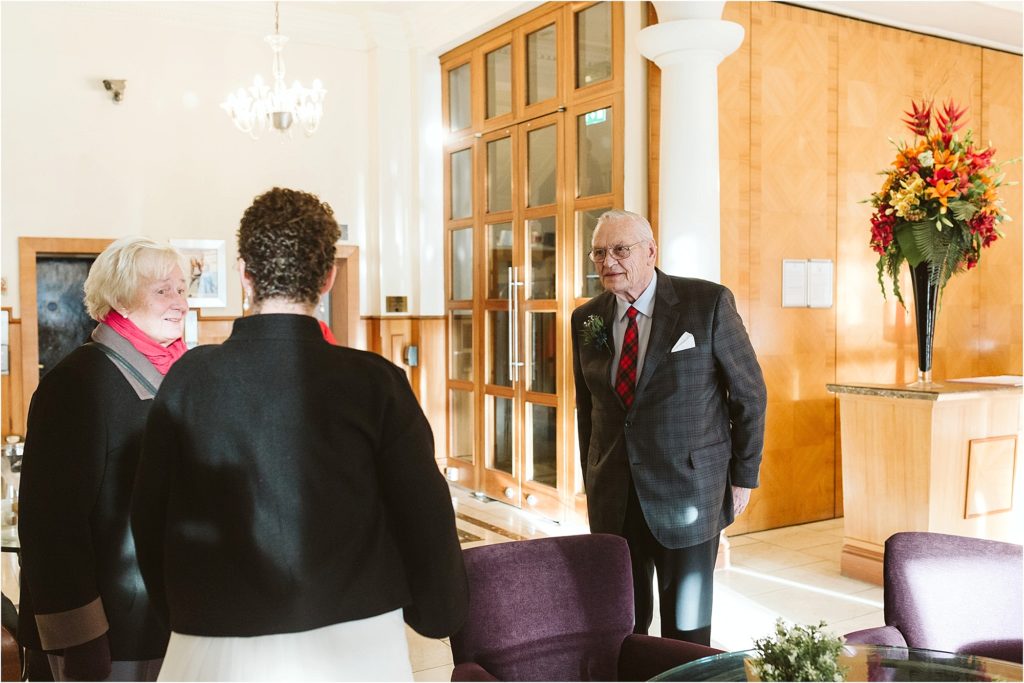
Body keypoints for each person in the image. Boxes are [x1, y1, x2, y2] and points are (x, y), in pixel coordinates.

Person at [131, 187, 468, 681]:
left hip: (216, 641)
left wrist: (184, 611)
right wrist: (440, 614)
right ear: (328, 277)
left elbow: (149, 517)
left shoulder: (189, 379)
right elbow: (425, 516)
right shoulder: (375, 381)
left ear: (244, 273)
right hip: (359, 642)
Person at [571, 210, 767, 646]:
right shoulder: (587, 319)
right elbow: (589, 411)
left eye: (620, 250)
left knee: (687, 632)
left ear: (651, 252)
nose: (608, 261)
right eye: (599, 252)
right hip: (615, 498)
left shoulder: (707, 303)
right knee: (622, 627)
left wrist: (743, 478)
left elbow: (749, 395)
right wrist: (591, 478)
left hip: (689, 494)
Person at [18, 236, 188, 681]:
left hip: (172, 624)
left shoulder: (184, 376)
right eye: (162, 290)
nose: (180, 303)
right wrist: (81, 641)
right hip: (109, 641)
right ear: (121, 300)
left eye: (182, 289)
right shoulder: (77, 383)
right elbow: (50, 527)